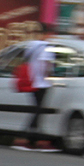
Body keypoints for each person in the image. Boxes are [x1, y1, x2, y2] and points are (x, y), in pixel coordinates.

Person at [13, 23, 59, 152]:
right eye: (52, 34)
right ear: (48, 34)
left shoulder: (32, 45)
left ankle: (38, 141)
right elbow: (46, 66)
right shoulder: (47, 48)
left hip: (32, 83)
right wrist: (49, 76)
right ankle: (22, 139)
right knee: (37, 112)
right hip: (42, 84)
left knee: (37, 112)